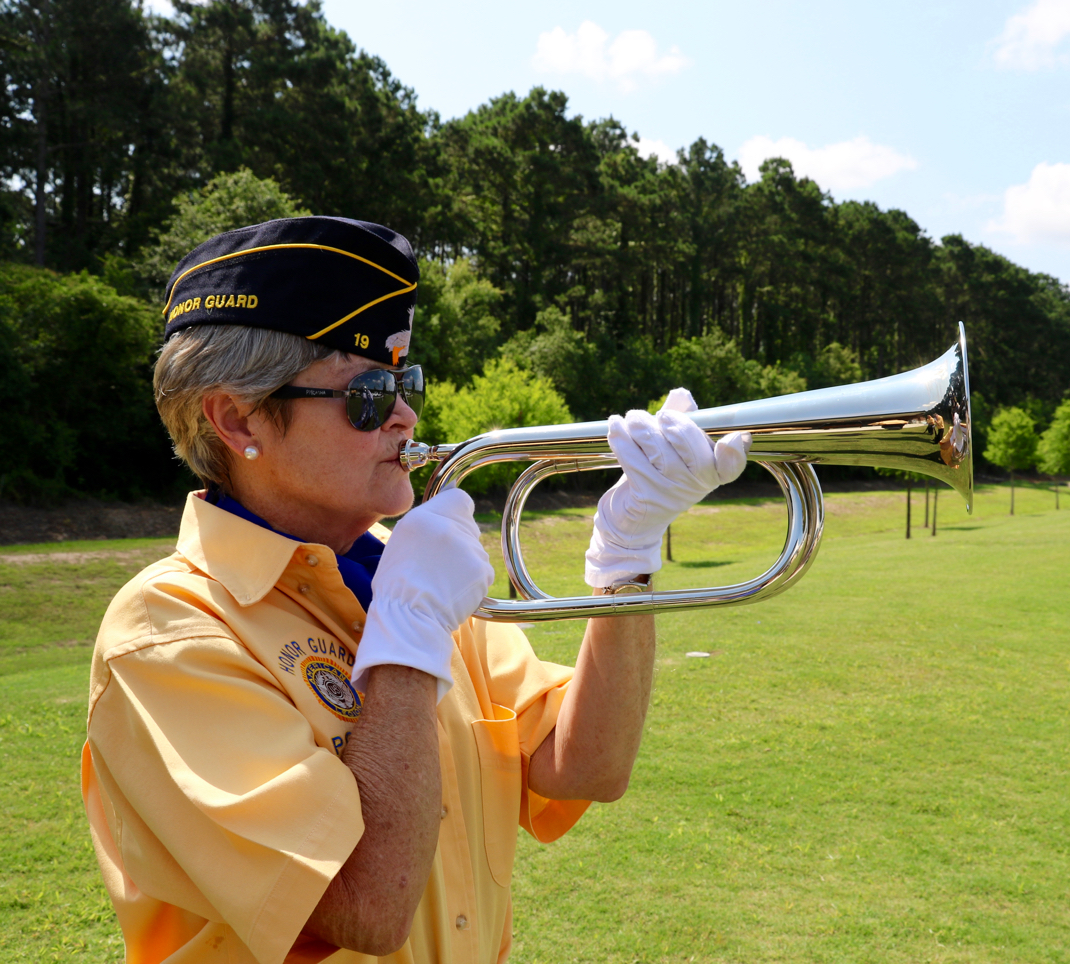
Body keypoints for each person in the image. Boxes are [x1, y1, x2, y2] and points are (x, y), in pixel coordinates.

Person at [81, 216, 751, 964]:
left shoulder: (403, 576)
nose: (404, 415)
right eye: (367, 394)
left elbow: (584, 766)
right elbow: (369, 907)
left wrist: (626, 559)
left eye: (407, 383)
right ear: (238, 419)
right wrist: (406, 638)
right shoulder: (167, 635)